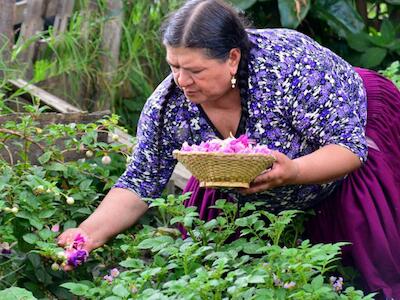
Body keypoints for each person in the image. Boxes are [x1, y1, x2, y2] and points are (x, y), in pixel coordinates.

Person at [58, 0, 400, 297]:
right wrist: (88, 232)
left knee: (368, 270)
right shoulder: (170, 105)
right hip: (252, 182)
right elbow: (141, 180)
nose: (181, 80)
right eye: (174, 66)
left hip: (340, 139)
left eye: (194, 70)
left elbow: (348, 147)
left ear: (232, 58)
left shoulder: (290, 69)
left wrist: (294, 172)